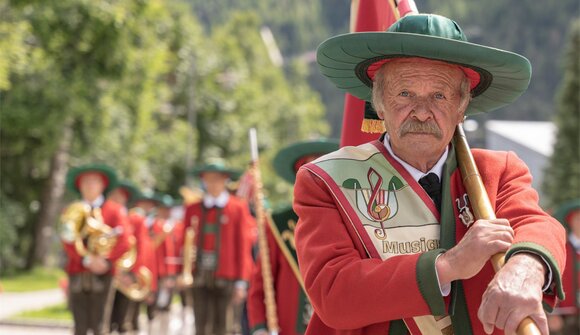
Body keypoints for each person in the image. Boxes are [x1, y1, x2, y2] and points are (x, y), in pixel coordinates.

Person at [293, 14, 566, 335]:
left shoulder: (498, 170)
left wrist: (526, 266)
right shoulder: (324, 179)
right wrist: (447, 266)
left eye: (439, 95)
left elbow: (538, 225)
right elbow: (335, 295)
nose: (422, 112)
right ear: (378, 104)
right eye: (405, 93)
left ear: (462, 105)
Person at [248, 139, 338, 335]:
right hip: (288, 327)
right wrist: (260, 327)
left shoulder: (348, 219)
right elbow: (260, 283)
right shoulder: (277, 222)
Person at [182, 161, 255, 335]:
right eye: (208, 179)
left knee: (225, 327)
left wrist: (241, 282)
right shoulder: (192, 209)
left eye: (217, 179)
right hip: (199, 276)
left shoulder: (238, 208)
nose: (213, 183)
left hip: (228, 278)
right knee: (201, 326)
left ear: (225, 180)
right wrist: (182, 272)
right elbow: (184, 244)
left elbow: (244, 246)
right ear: (203, 181)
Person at [60, 164, 130, 335]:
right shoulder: (71, 210)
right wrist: (86, 259)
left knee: (101, 325)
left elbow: (125, 240)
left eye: (94, 181)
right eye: (86, 182)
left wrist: (106, 261)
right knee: (80, 326)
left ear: (102, 185)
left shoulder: (114, 210)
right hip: (78, 271)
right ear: (80, 186)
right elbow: (67, 240)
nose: (90, 185)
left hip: (104, 273)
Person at [107, 180, 155, 333]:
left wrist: (131, 274)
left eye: (119, 197)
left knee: (124, 319)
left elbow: (141, 248)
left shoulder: (133, 219)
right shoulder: (103, 218)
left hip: (126, 276)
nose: (116, 200)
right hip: (108, 273)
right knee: (105, 319)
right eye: (113, 196)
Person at [549, 199, 580, 334]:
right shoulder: (562, 248)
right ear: (570, 221)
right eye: (579, 219)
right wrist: (552, 312)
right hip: (567, 314)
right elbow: (551, 279)